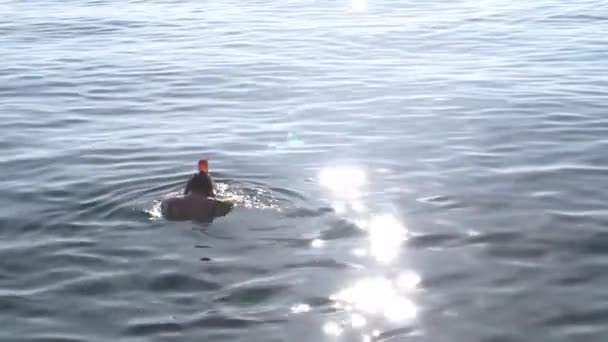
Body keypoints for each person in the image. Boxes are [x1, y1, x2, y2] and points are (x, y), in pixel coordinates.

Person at [161, 159, 233, 222]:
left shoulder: (170, 202)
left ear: (188, 187)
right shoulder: (216, 204)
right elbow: (231, 204)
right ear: (209, 189)